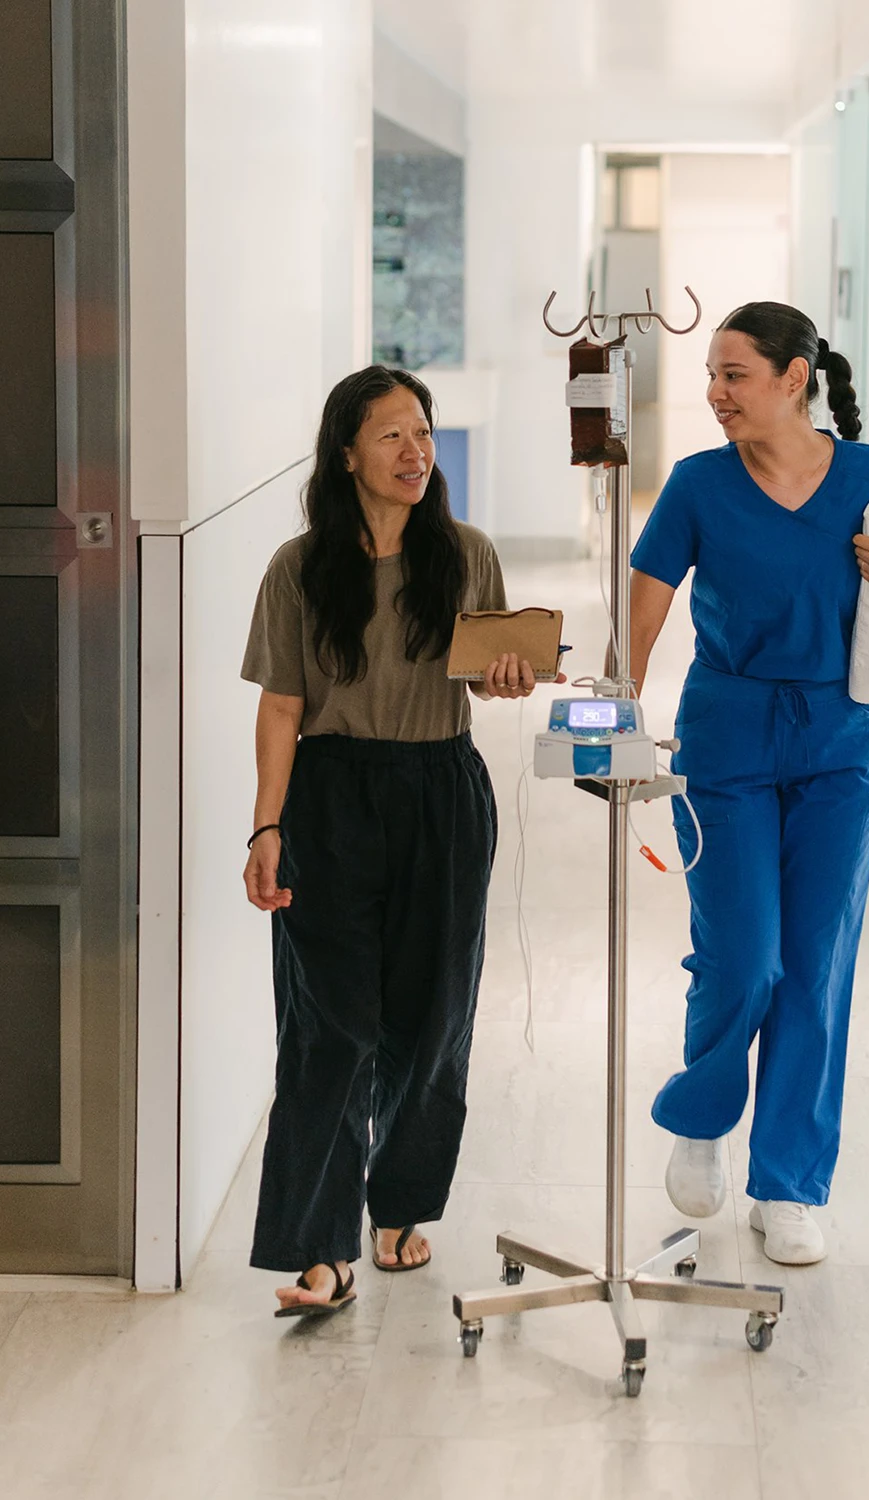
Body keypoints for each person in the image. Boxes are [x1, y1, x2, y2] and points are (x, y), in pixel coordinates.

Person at [627, 302, 869, 1266]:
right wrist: (614, 724)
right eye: (712, 377)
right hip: (726, 738)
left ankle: (790, 1187)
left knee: (815, 966)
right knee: (742, 955)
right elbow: (636, 622)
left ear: (794, 379)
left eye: (733, 376)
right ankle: (704, 1112)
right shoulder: (696, 486)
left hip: (842, 744)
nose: (714, 394)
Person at [241, 365, 548, 1316]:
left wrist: (507, 680)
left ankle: (401, 1205)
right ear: (346, 454)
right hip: (331, 798)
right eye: (392, 436)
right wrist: (266, 824)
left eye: (423, 432)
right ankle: (321, 1249)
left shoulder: (463, 553)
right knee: (327, 1025)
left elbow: (500, 676)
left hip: (440, 789)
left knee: (431, 1014)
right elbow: (282, 707)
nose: (417, 452)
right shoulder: (299, 568)